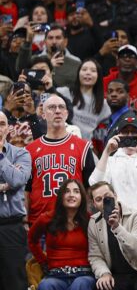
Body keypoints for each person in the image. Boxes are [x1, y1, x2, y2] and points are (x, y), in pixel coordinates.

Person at [28, 178, 94, 290]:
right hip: (56, 275)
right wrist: (43, 261)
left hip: (83, 274)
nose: (72, 195)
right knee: (45, 286)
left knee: (80, 284)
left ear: (82, 197)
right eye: (67, 191)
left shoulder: (89, 220)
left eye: (76, 191)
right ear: (61, 196)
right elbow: (32, 240)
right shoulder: (47, 218)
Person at [26, 93, 95, 226]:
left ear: (66, 114)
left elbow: (89, 187)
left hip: (73, 222)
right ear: (43, 114)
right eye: (52, 107)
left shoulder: (83, 147)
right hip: (39, 222)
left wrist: (86, 219)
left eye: (61, 107)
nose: (57, 111)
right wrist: (25, 220)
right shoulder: (30, 150)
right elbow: (26, 190)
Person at [0, 109, 33, 290]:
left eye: (1, 124)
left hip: (11, 226)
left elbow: (18, 180)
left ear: (8, 128)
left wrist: (1, 156)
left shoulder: (21, 153)